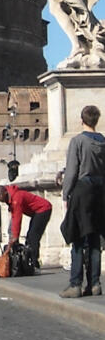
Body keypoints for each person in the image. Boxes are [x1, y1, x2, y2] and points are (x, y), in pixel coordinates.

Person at [60, 104, 105, 298]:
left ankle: (75, 284)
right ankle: (95, 284)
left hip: (82, 190)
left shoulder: (77, 141)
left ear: (81, 120)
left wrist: (65, 194)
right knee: (94, 239)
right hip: (100, 192)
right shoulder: (103, 142)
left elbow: (71, 171)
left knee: (77, 237)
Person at [0, 182, 52, 268]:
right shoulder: (10, 198)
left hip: (43, 209)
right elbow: (14, 217)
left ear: (5, 192)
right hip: (36, 212)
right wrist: (13, 235)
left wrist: (15, 236)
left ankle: (33, 262)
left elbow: (17, 218)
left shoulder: (16, 198)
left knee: (33, 236)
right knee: (29, 237)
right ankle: (30, 260)